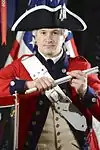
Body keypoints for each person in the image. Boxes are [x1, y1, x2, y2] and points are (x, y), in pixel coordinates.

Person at [0, 0, 100, 150]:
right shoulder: (19, 67)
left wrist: (86, 92)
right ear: (35, 37)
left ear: (64, 36)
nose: (49, 38)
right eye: (43, 32)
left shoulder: (82, 67)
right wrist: (26, 84)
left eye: (55, 33)